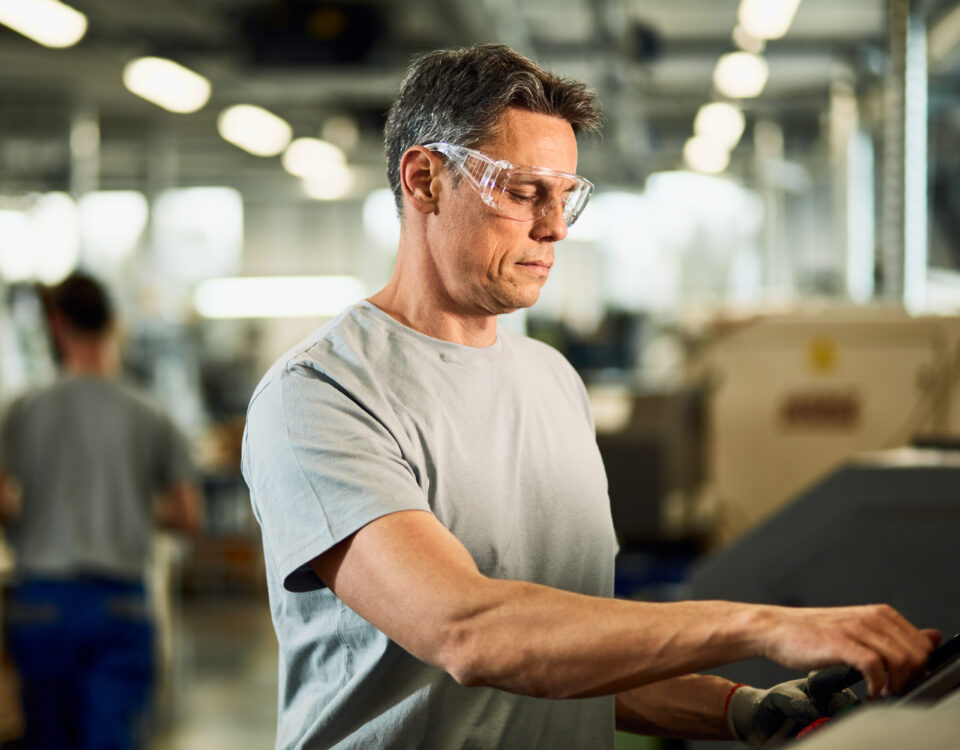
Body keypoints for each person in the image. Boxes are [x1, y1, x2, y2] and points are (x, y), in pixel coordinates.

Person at [241, 44, 939, 749]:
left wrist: (737, 707)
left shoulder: (553, 380)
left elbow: (560, 650)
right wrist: (766, 624)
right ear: (424, 180)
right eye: (522, 193)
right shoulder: (321, 395)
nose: (556, 227)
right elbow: (470, 631)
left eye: (565, 195)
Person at [0, 272, 203, 750]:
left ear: (56, 324)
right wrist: (131, 508)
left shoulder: (23, 409)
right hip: (121, 605)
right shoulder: (150, 412)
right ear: (113, 324)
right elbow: (188, 515)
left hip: (41, 605)